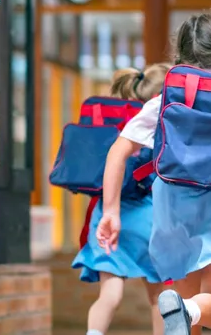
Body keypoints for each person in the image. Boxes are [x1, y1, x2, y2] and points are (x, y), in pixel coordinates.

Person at [96, 11, 211, 335]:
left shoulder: (169, 97)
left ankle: (186, 310)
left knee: (181, 322)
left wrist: (110, 211)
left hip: (174, 214)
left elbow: (119, 151)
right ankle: (190, 309)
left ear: (180, 52)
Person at [72, 63, 172, 335]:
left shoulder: (117, 125)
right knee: (158, 299)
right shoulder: (159, 123)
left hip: (107, 214)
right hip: (148, 218)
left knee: (109, 295)